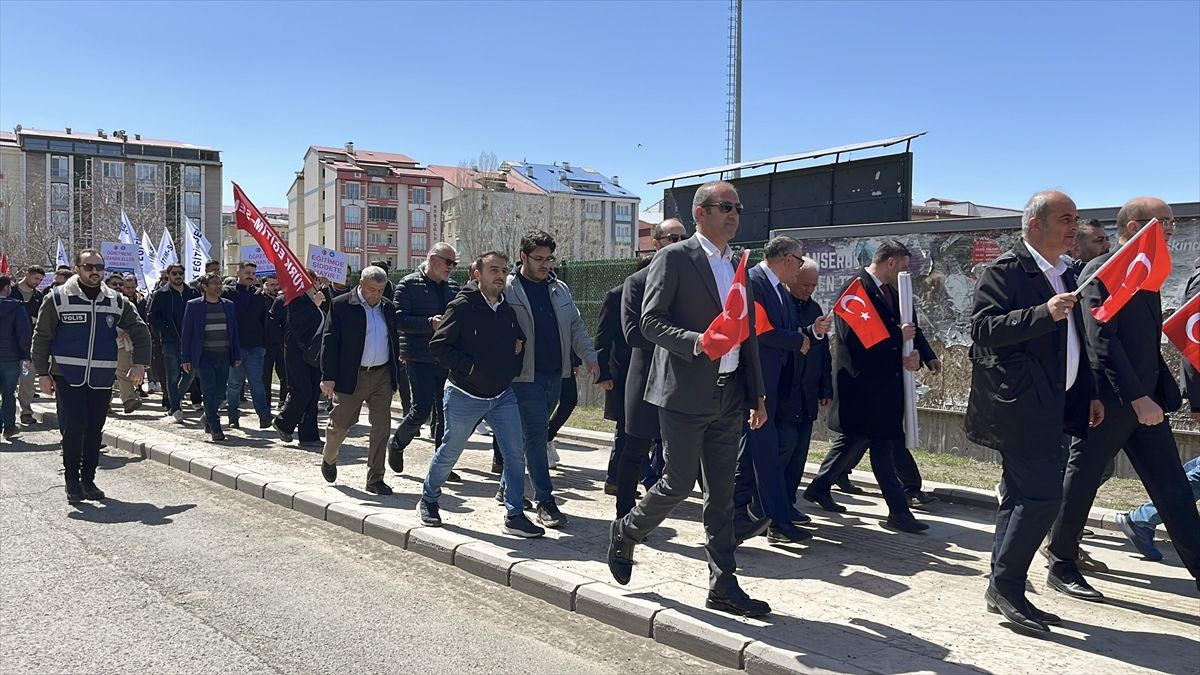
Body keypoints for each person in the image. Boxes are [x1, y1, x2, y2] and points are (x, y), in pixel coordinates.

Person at [606, 181, 771, 618]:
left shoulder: (739, 264)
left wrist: (756, 394)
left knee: (721, 494)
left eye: (738, 206)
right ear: (701, 213)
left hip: (729, 395)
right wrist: (697, 342)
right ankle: (626, 531)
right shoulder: (675, 258)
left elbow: (747, 334)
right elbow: (650, 323)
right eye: (725, 206)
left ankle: (722, 585)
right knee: (677, 483)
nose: (734, 213)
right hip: (682, 393)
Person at [1046, 196, 1200, 599]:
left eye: (1171, 222)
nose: (1171, 229)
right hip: (1109, 403)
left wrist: (1157, 391)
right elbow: (1102, 341)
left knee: (1174, 489)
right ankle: (1061, 562)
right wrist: (1137, 397)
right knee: (1079, 482)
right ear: (1134, 227)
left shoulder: (1145, 273)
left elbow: (1142, 341)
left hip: (1145, 403)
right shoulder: (1105, 270)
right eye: (1163, 222)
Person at [965, 190, 1102, 633]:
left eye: (1076, 219)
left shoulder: (1070, 273)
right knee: (1042, 498)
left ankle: (1002, 585)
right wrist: (1042, 313)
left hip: (1057, 404)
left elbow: (1078, 344)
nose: (1073, 227)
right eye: (1065, 218)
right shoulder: (1007, 271)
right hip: (1019, 406)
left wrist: (1089, 392)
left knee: (1025, 499)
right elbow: (983, 330)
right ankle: (1007, 587)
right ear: (1034, 225)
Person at [802, 240, 934, 532]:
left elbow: (908, 324)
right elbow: (861, 340)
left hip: (885, 386)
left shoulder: (892, 291)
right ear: (890, 262)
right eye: (902, 265)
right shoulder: (855, 290)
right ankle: (898, 512)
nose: (904, 271)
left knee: (859, 440)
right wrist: (900, 342)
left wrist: (922, 353)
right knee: (882, 446)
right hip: (864, 388)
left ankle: (820, 487)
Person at [417, 251, 545, 538]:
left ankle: (514, 514)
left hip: (502, 395)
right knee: (450, 451)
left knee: (514, 454)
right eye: (493, 270)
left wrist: (512, 363)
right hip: (465, 394)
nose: (500, 276)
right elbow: (439, 346)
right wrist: (471, 369)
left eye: (503, 270)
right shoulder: (462, 306)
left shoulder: (507, 308)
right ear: (477, 274)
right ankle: (428, 499)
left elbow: (519, 341)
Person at [32, 248, 151, 503]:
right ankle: (72, 482)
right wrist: (42, 373)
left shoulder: (117, 300)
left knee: (95, 429)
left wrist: (140, 364)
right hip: (67, 375)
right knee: (75, 427)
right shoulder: (57, 298)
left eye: (99, 267)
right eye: (89, 267)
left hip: (101, 375)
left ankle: (88, 480)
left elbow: (141, 331)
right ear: (77, 268)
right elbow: (42, 338)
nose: (95, 271)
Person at [504, 229, 603, 529]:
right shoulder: (508, 288)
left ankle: (508, 487)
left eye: (549, 258)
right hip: (523, 377)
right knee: (536, 436)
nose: (545, 264)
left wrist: (590, 356)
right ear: (523, 257)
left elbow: (576, 326)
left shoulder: (560, 288)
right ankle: (545, 501)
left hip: (555, 375)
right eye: (538, 259)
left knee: (529, 436)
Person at [737, 236, 828, 544]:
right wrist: (797, 340)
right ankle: (772, 522)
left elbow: (787, 331)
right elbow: (758, 331)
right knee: (758, 455)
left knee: (756, 457)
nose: (800, 268)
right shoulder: (754, 282)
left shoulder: (778, 289)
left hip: (774, 389)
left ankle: (757, 518)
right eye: (800, 261)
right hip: (755, 387)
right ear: (788, 259)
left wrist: (811, 333)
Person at [614, 219, 689, 517]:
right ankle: (624, 515)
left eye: (684, 236)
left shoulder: (692, 282)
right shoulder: (637, 282)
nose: (679, 241)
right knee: (634, 449)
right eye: (673, 237)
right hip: (645, 378)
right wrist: (682, 339)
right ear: (655, 243)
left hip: (684, 378)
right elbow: (633, 334)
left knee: (692, 454)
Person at [319, 266, 401, 495]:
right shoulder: (342, 305)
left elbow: (393, 339)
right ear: (361, 285)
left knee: (382, 428)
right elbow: (330, 341)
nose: (376, 294)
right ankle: (329, 456)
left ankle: (375, 478)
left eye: (381, 290)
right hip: (351, 376)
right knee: (340, 425)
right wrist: (328, 377)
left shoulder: (388, 308)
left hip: (381, 375)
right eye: (372, 289)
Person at [388, 244, 460, 474]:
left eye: (454, 263)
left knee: (446, 412)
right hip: (418, 356)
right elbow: (398, 319)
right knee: (422, 409)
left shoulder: (453, 288)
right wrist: (429, 323)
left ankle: (441, 466)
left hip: (447, 358)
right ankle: (397, 443)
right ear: (432, 259)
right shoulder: (408, 284)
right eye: (447, 262)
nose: (451, 267)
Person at [779, 258, 833, 514]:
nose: (808, 290)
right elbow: (784, 338)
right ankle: (772, 506)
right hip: (784, 391)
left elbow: (823, 353)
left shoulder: (815, 308)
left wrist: (826, 387)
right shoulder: (780, 304)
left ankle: (788, 502)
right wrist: (809, 331)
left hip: (808, 392)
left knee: (800, 453)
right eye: (804, 284)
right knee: (785, 448)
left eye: (813, 285)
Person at [181, 273, 241, 442]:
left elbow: (234, 332)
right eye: (214, 283)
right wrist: (186, 357)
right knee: (208, 391)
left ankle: (208, 417)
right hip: (204, 356)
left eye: (219, 283)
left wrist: (236, 354)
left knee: (221, 393)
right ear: (204, 287)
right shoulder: (194, 306)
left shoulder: (228, 305)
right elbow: (187, 333)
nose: (218, 286)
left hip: (224, 354)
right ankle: (216, 427)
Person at [222, 261, 273, 429]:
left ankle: (264, 417)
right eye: (247, 272)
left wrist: (263, 343)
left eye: (253, 272)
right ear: (238, 272)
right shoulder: (227, 293)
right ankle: (233, 417)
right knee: (235, 383)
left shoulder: (259, 294)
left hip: (255, 346)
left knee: (256, 382)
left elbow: (263, 320)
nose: (250, 275)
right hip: (234, 346)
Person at [272, 287, 326, 448]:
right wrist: (314, 305)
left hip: (315, 354)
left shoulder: (320, 298)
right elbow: (297, 322)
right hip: (297, 354)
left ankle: (309, 436)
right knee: (302, 391)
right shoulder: (293, 299)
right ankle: (283, 422)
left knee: (313, 394)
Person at [147, 263, 199, 421]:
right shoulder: (161, 294)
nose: (178, 276)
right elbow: (152, 316)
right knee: (173, 375)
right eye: (175, 273)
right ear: (169, 275)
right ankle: (175, 408)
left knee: (191, 373)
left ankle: (174, 400)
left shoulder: (192, 292)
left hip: (190, 340)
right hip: (170, 341)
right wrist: (165, 328)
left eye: (181, 273)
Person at [594, 284, 631, 495]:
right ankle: (615, 478)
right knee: (626, 426)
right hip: (623, 370)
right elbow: (603, 336)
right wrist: (603, 372)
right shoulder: (616, 295)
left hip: (653, 370)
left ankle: (623, 478)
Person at [10, 265, 45, 427]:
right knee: (7, 381)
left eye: (40, 280)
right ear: (26, 274)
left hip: (28, 347)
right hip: (8, 346)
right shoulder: (10, 292)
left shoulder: (39, 297)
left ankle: (26, 412)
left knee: (27, 380)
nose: (37, 282)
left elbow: (43, 318)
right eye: (35, 278)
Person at [0, 274, 32, 439]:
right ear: (6, 288)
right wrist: (26, 356)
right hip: (11, 358)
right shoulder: (17, 308)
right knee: (8, 392)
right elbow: (24, 335)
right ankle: (9, 426)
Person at [261, 276, 287, 410]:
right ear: (265, 285)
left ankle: (283, 401)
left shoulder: (284, 300)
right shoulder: (260, 300)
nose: (274, 288)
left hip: (282, 344)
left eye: (277, 285)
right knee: (265, 376)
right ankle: (266, 405)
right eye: (271, 285)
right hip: (266, 345)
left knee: (285, 374)